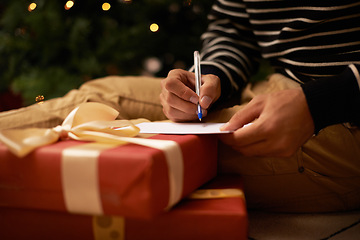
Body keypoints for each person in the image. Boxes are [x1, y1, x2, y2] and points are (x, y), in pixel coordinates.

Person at [1, 0, 360, 212]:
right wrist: (212, 78)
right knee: (95, 98)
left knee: (142, 156)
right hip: (277, 88)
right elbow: (233, 28)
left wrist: (325, 102)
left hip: (344, 118)